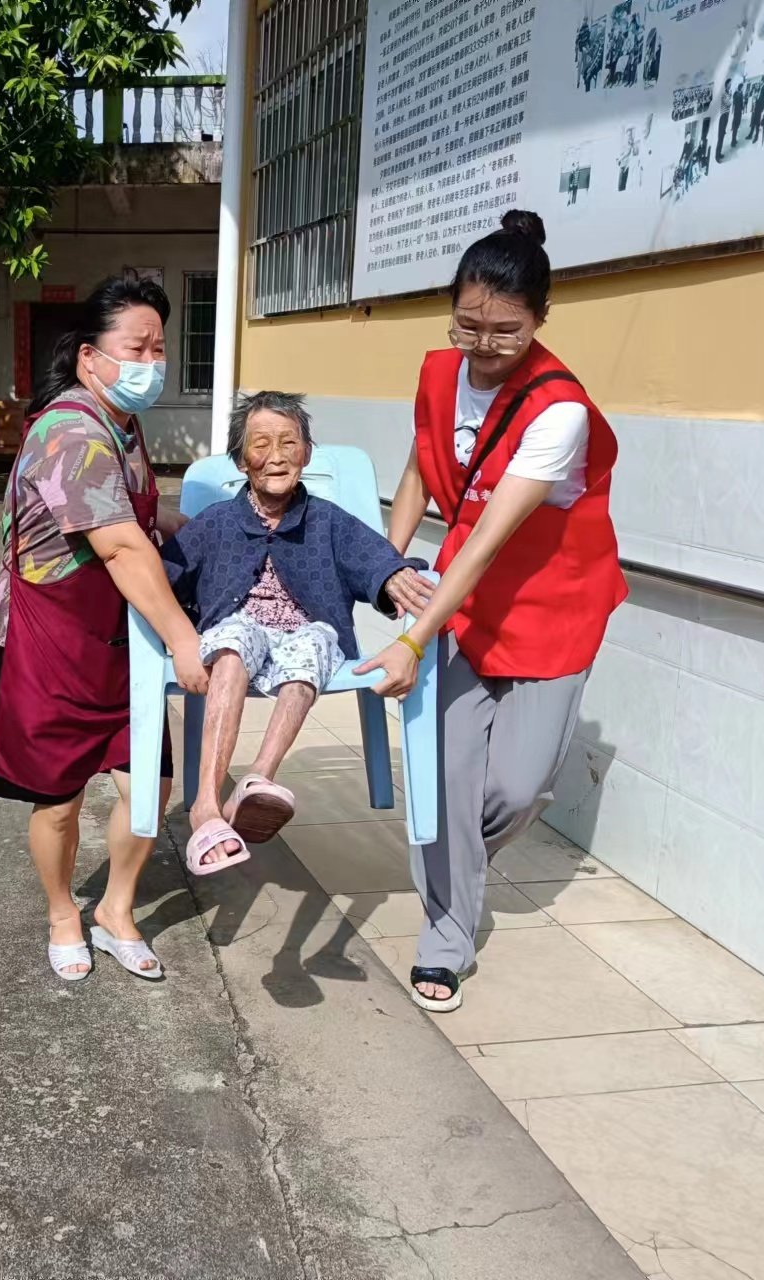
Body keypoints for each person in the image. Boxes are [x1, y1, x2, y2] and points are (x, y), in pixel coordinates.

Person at [363, 210, 628, 1015]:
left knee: (515, 790)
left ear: (542, 318)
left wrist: (412, 638)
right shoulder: (439, 374)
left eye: (506, 331)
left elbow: (485, 539)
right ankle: (446, 939)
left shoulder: (559, 408)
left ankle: (453, 863)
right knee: (445, 776)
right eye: (467, 325)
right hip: (467, 607)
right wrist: (382, 562)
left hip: (553, 606)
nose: (483, 344)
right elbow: (420, 473)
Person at [0, 277, 209, 983]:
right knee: (59, 800)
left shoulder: (123, 425)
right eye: (136, 348)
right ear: (89, 357)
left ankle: (115, 909)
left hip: (118, 639)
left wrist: (201, 531)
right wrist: (184, 638)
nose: (152, 362)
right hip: (50, 642)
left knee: (149, 788)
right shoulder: (70, 432)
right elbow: (121, 547)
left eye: (159, 348)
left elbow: (139, 512)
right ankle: (62, 913)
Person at [158, 391, 430, 875]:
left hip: (304, 632)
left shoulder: (328, 520)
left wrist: (392, 574)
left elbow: (373, 556)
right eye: (261, 443)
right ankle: (205, 805)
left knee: (319, 641)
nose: (277, 456)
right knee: (233, 641)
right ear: (241, 460)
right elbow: (163, 576)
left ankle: (257, 781)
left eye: (289, 442)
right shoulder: (217, 522)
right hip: (236, 633)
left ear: (306, 453)